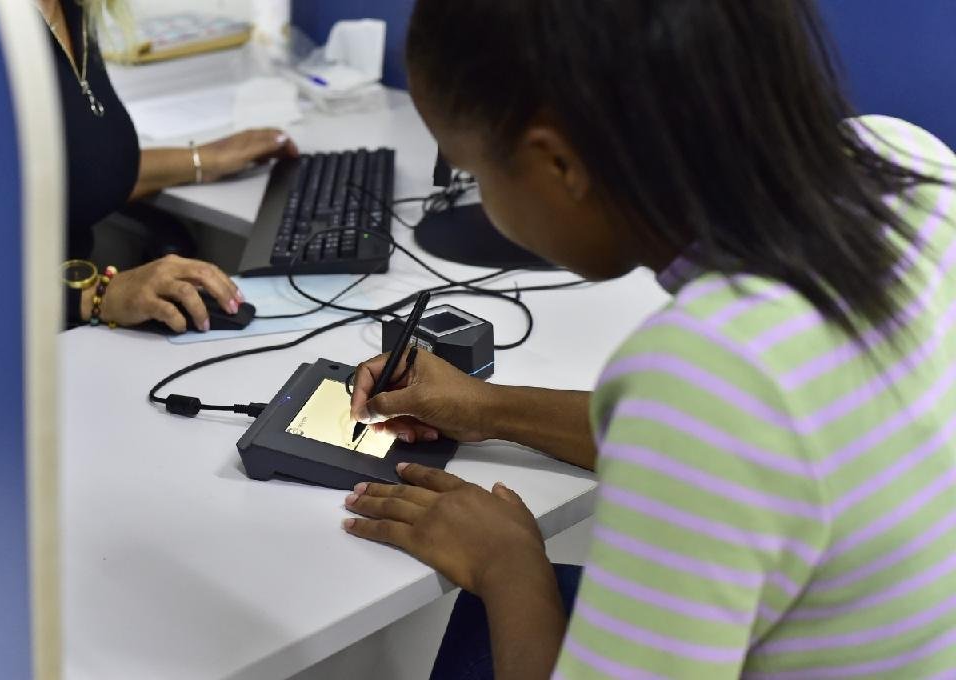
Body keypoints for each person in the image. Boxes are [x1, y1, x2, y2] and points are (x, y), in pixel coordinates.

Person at [343, 1, 956, 678]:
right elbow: (756, 441)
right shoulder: (905, 161)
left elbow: (712, 417)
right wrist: (487, 408)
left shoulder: (708, 370)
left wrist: (509, 565)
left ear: (558, 164)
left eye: (476, 174)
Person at [39, 0, 299, 331]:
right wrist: (96, 296)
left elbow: (74, 173)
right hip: (13, 334)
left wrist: (203, 159)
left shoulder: (70, 9)